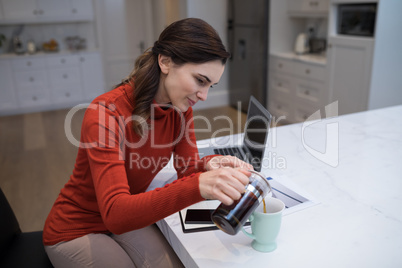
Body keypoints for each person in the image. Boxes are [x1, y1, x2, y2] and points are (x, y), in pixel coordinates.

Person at [43, 18, 253, 268]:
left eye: (210, 85)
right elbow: (116, 214)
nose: (204, 95)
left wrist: (209, 165)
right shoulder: (105, 113)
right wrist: (199, 185)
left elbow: (187, 168)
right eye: (200, 80)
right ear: (165, 61)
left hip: (128, 217)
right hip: (77, 228)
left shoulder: (179, 107)